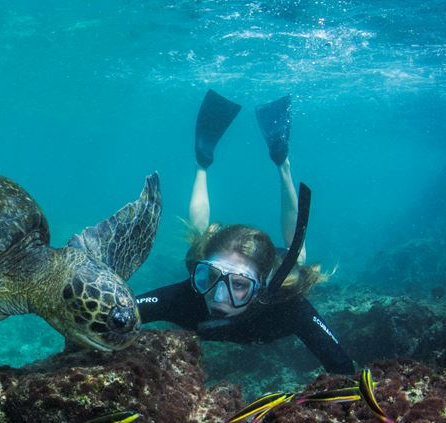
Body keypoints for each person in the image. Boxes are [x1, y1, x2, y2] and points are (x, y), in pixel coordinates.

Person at [136, 90, 354, 374]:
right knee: (200, 237)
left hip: (275, 269)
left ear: (261, 287)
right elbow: (119, 311)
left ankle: (282, 162)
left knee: (296, 257)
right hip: (215, 252)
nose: (218, 297)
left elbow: (343, 367)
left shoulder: (286, 308)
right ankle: (202, 161)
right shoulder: (186, 297)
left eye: (239, 285)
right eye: (211, 277)